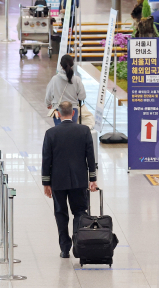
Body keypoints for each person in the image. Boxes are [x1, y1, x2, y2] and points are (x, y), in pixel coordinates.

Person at [42, 101, 97, 258]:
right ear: (73, 113)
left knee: (60, 213)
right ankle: (78, 241)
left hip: (57, 181)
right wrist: (92, 178)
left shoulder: (51, 133)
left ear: (58, 114)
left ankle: (64, 248)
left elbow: (46, 159)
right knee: (80, 211)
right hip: (79, 180)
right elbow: (90, 157)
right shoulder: (84, 131)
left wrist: (46, 182)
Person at [45, 55, 86, 125]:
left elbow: (48, 95)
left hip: (58, 109)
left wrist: (48, 104)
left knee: (59, 133)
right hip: (73, 110)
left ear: (61, 65)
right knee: (72, 133)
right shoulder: (77, 80)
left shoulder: (54, 79)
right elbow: (82, 96)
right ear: (72, 65)